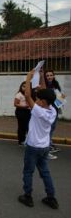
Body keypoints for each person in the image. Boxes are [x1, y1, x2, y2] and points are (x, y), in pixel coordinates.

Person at [18, 68, 59, 210]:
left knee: (28, 171)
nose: (37, 100)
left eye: (39, 99)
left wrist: (28, 77)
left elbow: (28, 95)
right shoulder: (52, 110)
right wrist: (41, 76)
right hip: (44, 147)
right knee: (45, 172)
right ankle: (51, 198)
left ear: (42, 101)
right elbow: (44, 90)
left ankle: (27, 196)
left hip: (33, 146)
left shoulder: (38, 110)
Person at [44, 70, 65, 156]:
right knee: (48, 129)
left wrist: (62, 98)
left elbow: (59, 97)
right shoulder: (44, 86)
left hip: (55, 109)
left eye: (51, 75)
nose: (49, 77)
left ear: (53, 76)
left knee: (52, 128)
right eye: (47, 75)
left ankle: (50, 143)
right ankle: (46, 148)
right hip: (48, 110)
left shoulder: (56, 85)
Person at [14, 81, 31, 146]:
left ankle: (27, 140)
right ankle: (21, 140)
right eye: (23, 86)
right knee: (21, 126)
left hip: (28, 111)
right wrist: (24, 106)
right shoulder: (19, 95)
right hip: (21, 111)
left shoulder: (29, 94)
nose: (25, 88)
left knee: (28, 126)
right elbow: (15, 104)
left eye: (26, 87)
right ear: (21, 87)